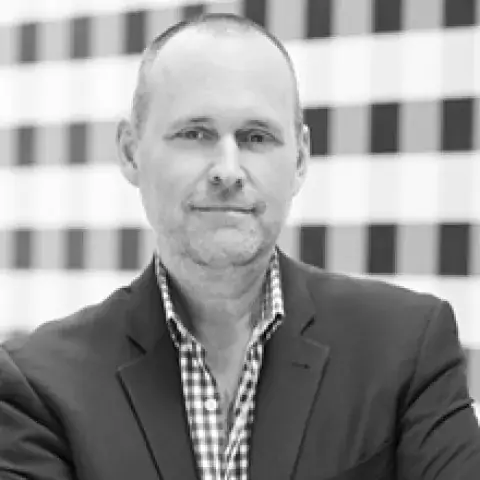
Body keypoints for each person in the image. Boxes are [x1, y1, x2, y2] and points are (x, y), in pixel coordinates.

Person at [1, 13, 479, 480]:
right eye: (194, 134)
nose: (227, 169)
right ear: (130, 151)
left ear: (300, 159)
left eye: (256, 137)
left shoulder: (406, 347)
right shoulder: (38, 385)